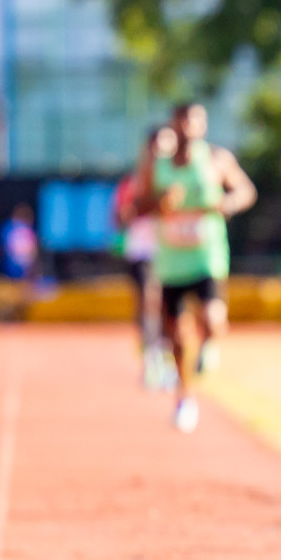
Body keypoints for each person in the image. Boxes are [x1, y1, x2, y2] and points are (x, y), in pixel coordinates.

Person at [133, 102, 256, 432]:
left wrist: (227, 202)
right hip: (172, 262)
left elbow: (246, 190)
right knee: (175, 336)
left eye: (195, 119)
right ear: (173, 123)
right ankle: (184, 398)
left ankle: (209, 344)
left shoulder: (217, 159)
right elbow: (136, 205)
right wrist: (158, 203)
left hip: (207, 257)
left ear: (203, 125)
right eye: (182, 119)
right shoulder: (156, 164)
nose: (188, 125)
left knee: (214, 321)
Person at [115, 127, 172, 389]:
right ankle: (151, 360)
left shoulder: (179, 178)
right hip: (143, 251)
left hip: (175, 251)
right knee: (149, 301)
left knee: (171, 308)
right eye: (158, 145)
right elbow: (119, 218)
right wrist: (141, 209)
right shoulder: (134, 181)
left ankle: (169, 357)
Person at [0, 204, 38, 281]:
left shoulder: (29, 229)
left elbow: (33, 248)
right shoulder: (8, 227)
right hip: (11, 267)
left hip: (26, 268)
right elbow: (5, 247)